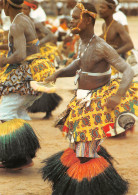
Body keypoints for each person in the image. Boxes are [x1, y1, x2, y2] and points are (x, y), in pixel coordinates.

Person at [41, 2, 137, 195]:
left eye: (75, 18)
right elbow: (79, 63)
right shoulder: (82, 42)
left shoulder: (102, 46)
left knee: (84, 153)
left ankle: (90, 188)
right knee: (77, 144)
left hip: (96, 102)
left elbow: (127, 71)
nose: (71, 21)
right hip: (82, 100)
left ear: (87, 20)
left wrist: (118, 96)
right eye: (72, 17)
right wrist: (58, 73)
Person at [0, 0, 55, 170]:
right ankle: (24, 155)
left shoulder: (17, 23)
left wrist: (3, 61)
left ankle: (17, 158)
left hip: (24, 75)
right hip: (33, 74)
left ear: (6, 4)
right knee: (19, 112)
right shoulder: (24, 19)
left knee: (5, 112)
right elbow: (22, 48)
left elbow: (20, 54)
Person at [99, 0, 138, 77]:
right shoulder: (104, 25)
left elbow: (130, 45)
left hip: (122, 57)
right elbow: (105, 36)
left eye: (103, 7)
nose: (99, 10)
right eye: (100, 7)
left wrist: (114, 53)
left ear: (111, 10)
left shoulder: (118, 26)